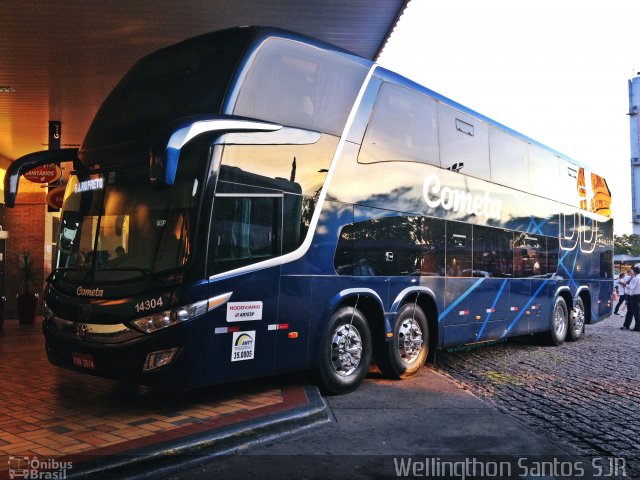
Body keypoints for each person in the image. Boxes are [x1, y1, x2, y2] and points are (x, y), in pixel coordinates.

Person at [622, 267, 640, 331]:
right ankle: (635, 326)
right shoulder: (637, 277)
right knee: (636, 311)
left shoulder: (635, 278)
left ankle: (637, 327)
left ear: (634, 272)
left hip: (634, 296)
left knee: (635, 312)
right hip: (637, 295)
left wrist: (625, 285)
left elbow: (631, 287)